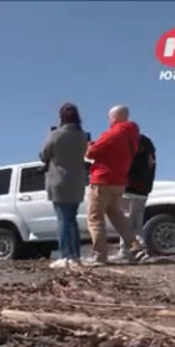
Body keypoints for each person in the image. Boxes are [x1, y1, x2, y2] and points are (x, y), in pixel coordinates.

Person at [84, 105, 146, 265]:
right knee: (117, 216)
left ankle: (99, 256)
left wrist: (89, 145)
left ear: (115, 117)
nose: (109, 121)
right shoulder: (132, 135)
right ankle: (135, 247)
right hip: (119, 182)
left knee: (95, 218)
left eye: (110, 117)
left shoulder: (114, 133)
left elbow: (91, 153)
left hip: (102, 180)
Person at [39, 103, 88, 269]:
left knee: (62, 218)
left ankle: (65, 256)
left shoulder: (56, 135)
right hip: (78, 181)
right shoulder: (82, 136)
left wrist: (50, 135)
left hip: (60, 181)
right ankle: (76, 256)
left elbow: (44, 155)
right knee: (72, 219)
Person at [114, 134, 157, 260]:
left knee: (126, 222)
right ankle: (141, 250)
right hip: (143, 191)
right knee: (137, 224)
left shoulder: (133, 149)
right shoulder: (150, 151)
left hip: (130, 189)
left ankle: (126, 250)